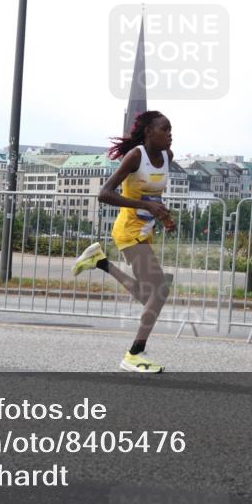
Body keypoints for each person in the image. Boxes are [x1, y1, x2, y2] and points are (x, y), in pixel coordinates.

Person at [72, 111, 176, 373]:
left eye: (171, 130)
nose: (170, 135)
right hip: (128, 230)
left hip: (146, 230)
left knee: (150, 295)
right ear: (149, 132)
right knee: (159, 290)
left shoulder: (168, 157)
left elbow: (154, 196)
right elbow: (104, 194)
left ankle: (101, 262)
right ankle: (134, 354)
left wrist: (164, 217)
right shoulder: (136, 156)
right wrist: (146, 206)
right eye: (165, 129)